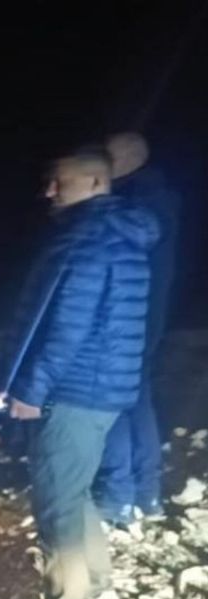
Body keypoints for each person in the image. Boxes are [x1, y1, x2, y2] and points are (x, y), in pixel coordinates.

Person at [2, 147, 158, 599]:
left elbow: (67, 327)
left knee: (58, 506)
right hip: (103, 387)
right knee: (75, 492)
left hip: (75, 389)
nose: (48, 191)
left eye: (59, 182)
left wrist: (30, 390)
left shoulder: (88, 242)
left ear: (94, 183)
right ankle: (100, 590)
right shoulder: (118, 236)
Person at [92, 132, 181, 526]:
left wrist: (93, 208)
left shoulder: (137, 203)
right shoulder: (156, 197)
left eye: (108, 157)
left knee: (113, 402)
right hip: (145, 317)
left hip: (127, 319)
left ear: (130, 159)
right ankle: (147, 494)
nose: (102, 165)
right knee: (136, 400)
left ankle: (119, 498)